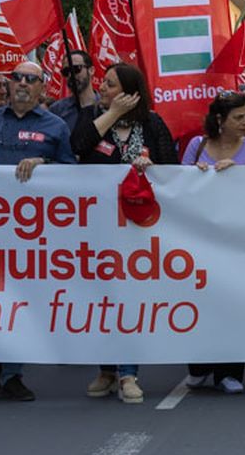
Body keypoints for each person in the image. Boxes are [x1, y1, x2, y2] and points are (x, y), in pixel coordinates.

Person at [0, 60, 75, 402]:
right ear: (9, 85)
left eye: (32, 79)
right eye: (17, 78)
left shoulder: (55, 126)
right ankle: (5, 359)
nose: (23, 84)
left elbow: (74, 173)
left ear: (43, 88)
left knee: (24, 299)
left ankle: (12, 370)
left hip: (35, 231)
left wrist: (46, 165)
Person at [72, 62, 176, 405]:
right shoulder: (92, 118)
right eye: (103, 84)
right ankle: (106, 369)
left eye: (112, 85)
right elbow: (79, 146)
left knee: (128, 297)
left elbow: (173, 169)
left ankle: (128, 373)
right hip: (99, 227)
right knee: (102, 297)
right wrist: (110, 114)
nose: (103, 88)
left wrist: (153, 169)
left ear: (131, 91)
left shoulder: (152, 124)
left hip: (139, 229)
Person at [182, 91, 245, 392]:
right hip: (201, 239)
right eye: (239, 117)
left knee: (234, 303)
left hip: (238, 240)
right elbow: (181, 187)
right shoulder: (197, 146)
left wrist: (239, 175)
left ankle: (230, 372)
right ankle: (199, 364)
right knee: (201, 301)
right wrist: (196, 175)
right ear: (220, 120)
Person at [50, 49, 98, 137]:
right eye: (66, 72)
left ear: (91, 70)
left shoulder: (106, 106)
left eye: (76, 69)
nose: (71, 75)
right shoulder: (57, 110)